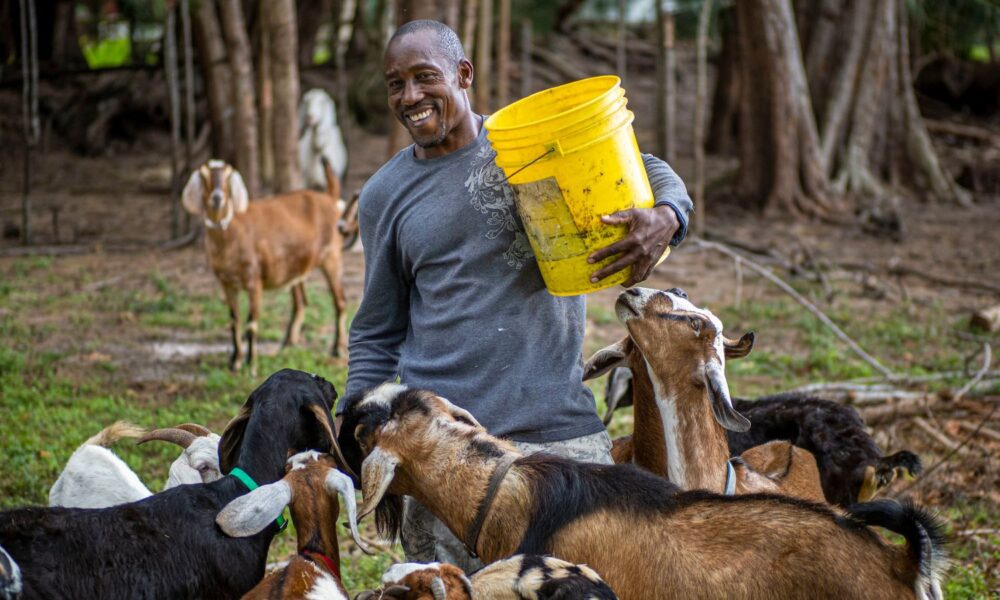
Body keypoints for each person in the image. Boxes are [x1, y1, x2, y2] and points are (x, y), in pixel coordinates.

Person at [336, 19, 692, 571]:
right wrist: (357, 427)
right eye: (395, 84)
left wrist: (666, 216)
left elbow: (647, 168)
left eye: (424, 77)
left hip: (558, 436)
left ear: (464, 74)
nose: (410, 97)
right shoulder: (385, 195)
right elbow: (377, 328)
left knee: (585, 582)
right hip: (444, 452)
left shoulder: (526, 148)